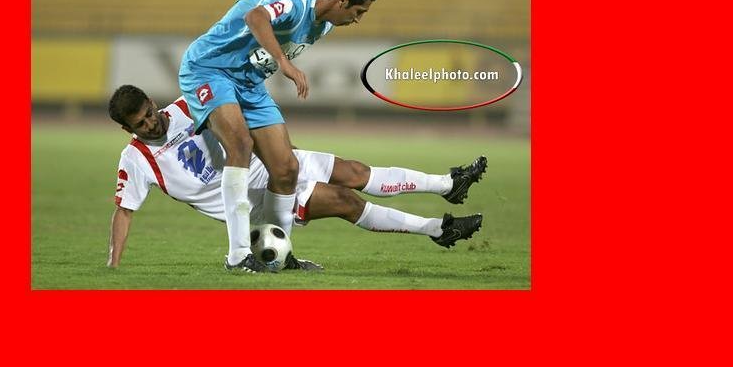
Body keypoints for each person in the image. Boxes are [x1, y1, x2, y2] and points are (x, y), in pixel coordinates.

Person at [106, 86, 487, 271]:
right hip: (261, 198)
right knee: (345, 202)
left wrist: (284, 153)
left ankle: (449, 184)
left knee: (355, 171)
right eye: (140, 124)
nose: (151, 123)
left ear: (152, 103)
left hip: (273, 163)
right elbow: (124, 212)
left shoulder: (189, 106)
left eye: (150, 113)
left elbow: (243, 126)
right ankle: (438, 229)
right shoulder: (135, 160)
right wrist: (113, 268)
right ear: (128, 129)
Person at [179, 0, 380, 272]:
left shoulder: (323, 26)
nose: (357, 19)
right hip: (210, 70)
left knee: (286, 168)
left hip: (249, 84)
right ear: (342, 0)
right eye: (359, 11)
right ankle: (237, 255)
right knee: (240, 144)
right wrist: (284, 62)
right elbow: (255, 17)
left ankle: (279, 257)